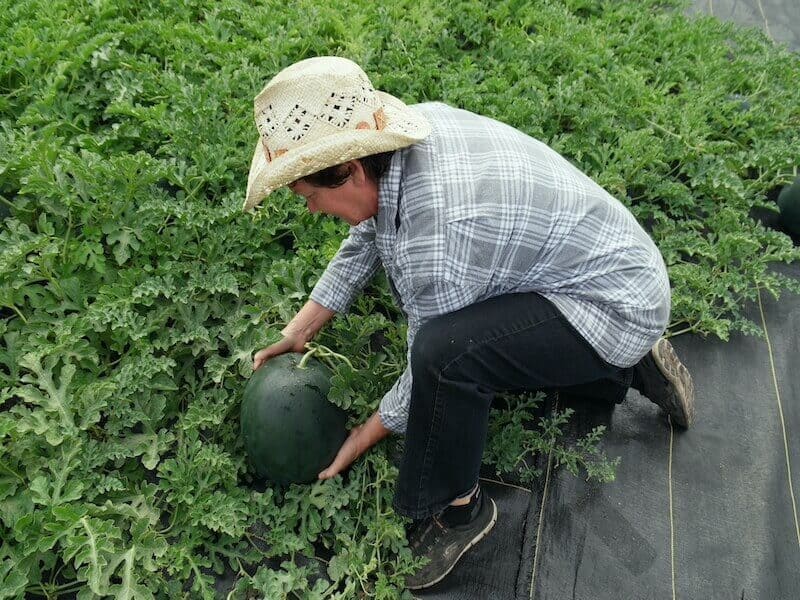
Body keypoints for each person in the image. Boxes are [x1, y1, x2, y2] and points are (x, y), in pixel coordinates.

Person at [245, 56, 695, 590]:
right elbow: (368, 230)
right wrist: (302, 326)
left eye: (312, 197)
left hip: (613, 303)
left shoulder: (434, 233)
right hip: (607, 267)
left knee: (446, 354)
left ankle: (459, 509)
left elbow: (427, 366)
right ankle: (625, 365)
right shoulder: (400, 147)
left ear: (351, 168)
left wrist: (362, 434)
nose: (314, 210)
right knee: (457, 344)